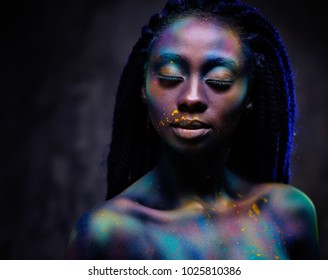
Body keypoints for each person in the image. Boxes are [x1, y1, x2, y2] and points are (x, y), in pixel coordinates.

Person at [66, 0, 318, 259]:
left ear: (250, 94)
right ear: (143, 87)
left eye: (219, 79)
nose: (191, 97)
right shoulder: (106, 234)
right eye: (170, 76)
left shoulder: (287, 215)